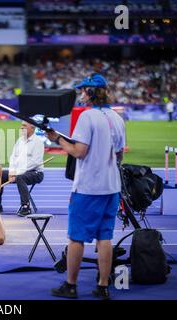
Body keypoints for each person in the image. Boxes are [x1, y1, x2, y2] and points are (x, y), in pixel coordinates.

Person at [46, 73, 126, 300]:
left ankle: (70, 285)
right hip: (111, 187)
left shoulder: (87, 117)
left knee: (77, 238)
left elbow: (79, 152)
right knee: (104, 237)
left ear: (90, 93)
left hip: (88, 188)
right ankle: (102, 286)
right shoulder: (117, 118)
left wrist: (57, 139)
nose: (81, 94)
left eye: (83, 90)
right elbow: (119, 154)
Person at [0, 121, 45, 216]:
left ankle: (26, 207)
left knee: (20, 177)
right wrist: (12, 171)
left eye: (24, 126)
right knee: (0, 174)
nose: (21, 127)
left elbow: (34, 162)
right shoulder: (20, 140)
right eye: (21, 125)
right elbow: (13, 157)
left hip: (35, 173)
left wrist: (17, 172)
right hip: (18, 172)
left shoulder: (38, 142)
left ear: (32, 128)